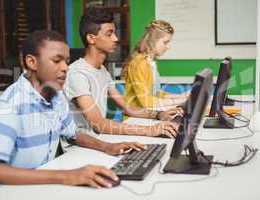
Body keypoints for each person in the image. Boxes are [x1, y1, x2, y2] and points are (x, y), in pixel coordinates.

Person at [0, 30, 146, 191]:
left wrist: (108, 146)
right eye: (57, 61)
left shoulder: (55, 95)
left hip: (39, 185)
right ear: (31, 62)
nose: (65, 68)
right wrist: (65, 176)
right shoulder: (12, 102)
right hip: (9, 192)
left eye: (67, 61)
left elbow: (73, 134)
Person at [63, 8, 181, 141]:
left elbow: (127, 108)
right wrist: (149, 130)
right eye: (109, 34)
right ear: (91, 38)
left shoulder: (102, 71)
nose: (116, 38)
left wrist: (159, 115)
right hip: (79, 148)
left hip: (99, 139)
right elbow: (98, 124)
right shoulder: (77, 73)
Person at [121, 20, 188, 112]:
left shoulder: (150, 62)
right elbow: (146, 102)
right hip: (136, 118)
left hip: (147, 115)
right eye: (165, 42)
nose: (167, 47)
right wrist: (182, 100)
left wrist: (181, 96)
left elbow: (155, 93)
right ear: (153, 41)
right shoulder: (139, 63)